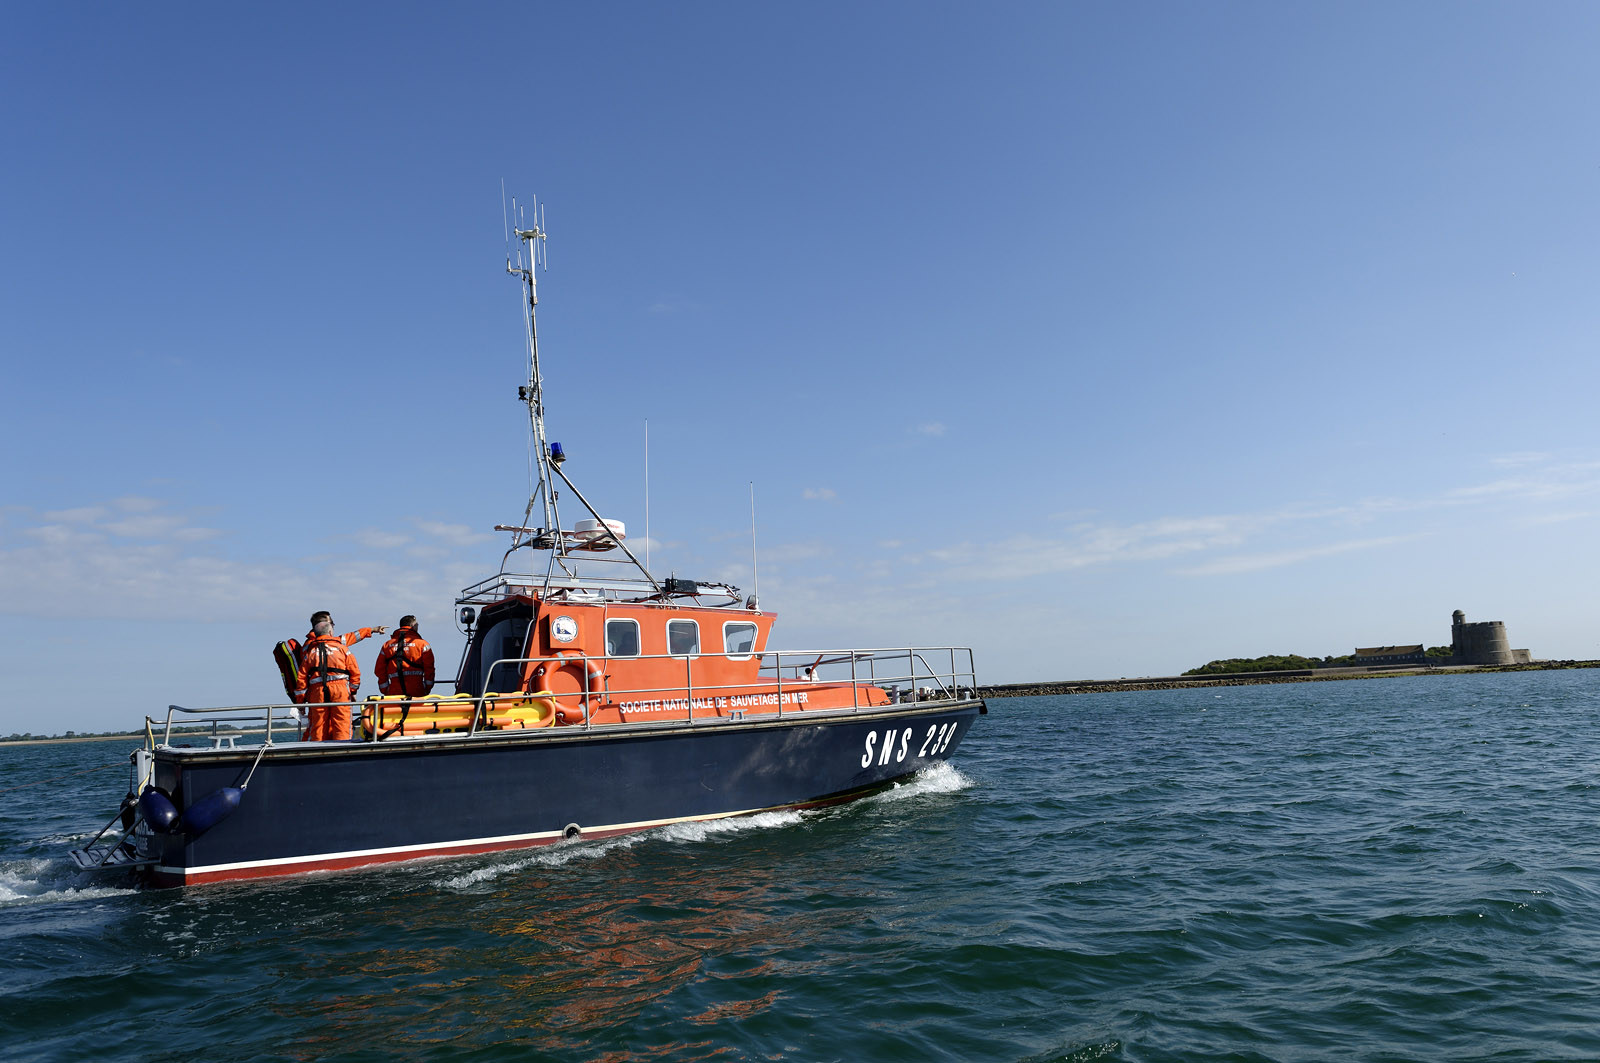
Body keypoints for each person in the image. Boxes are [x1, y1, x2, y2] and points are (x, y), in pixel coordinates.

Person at [295, 617, 363, 740]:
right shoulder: (342, 649)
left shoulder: (310, 652)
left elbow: (301, 679)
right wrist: (352, 692)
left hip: (317, 693)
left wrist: (301, 703)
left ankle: (317, 749)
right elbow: (355, 673)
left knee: (318, 726)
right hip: (341, 691)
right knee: (342, 724)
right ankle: (343, 749)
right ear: (330, 632)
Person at [375, 615, 436, 698]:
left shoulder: (387, 645)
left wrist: (385, 689)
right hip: (417, 691)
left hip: (394, 693)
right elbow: (429, 668)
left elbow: (379, 669)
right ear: (413, 626)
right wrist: (427, 688)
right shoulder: (422, 644)